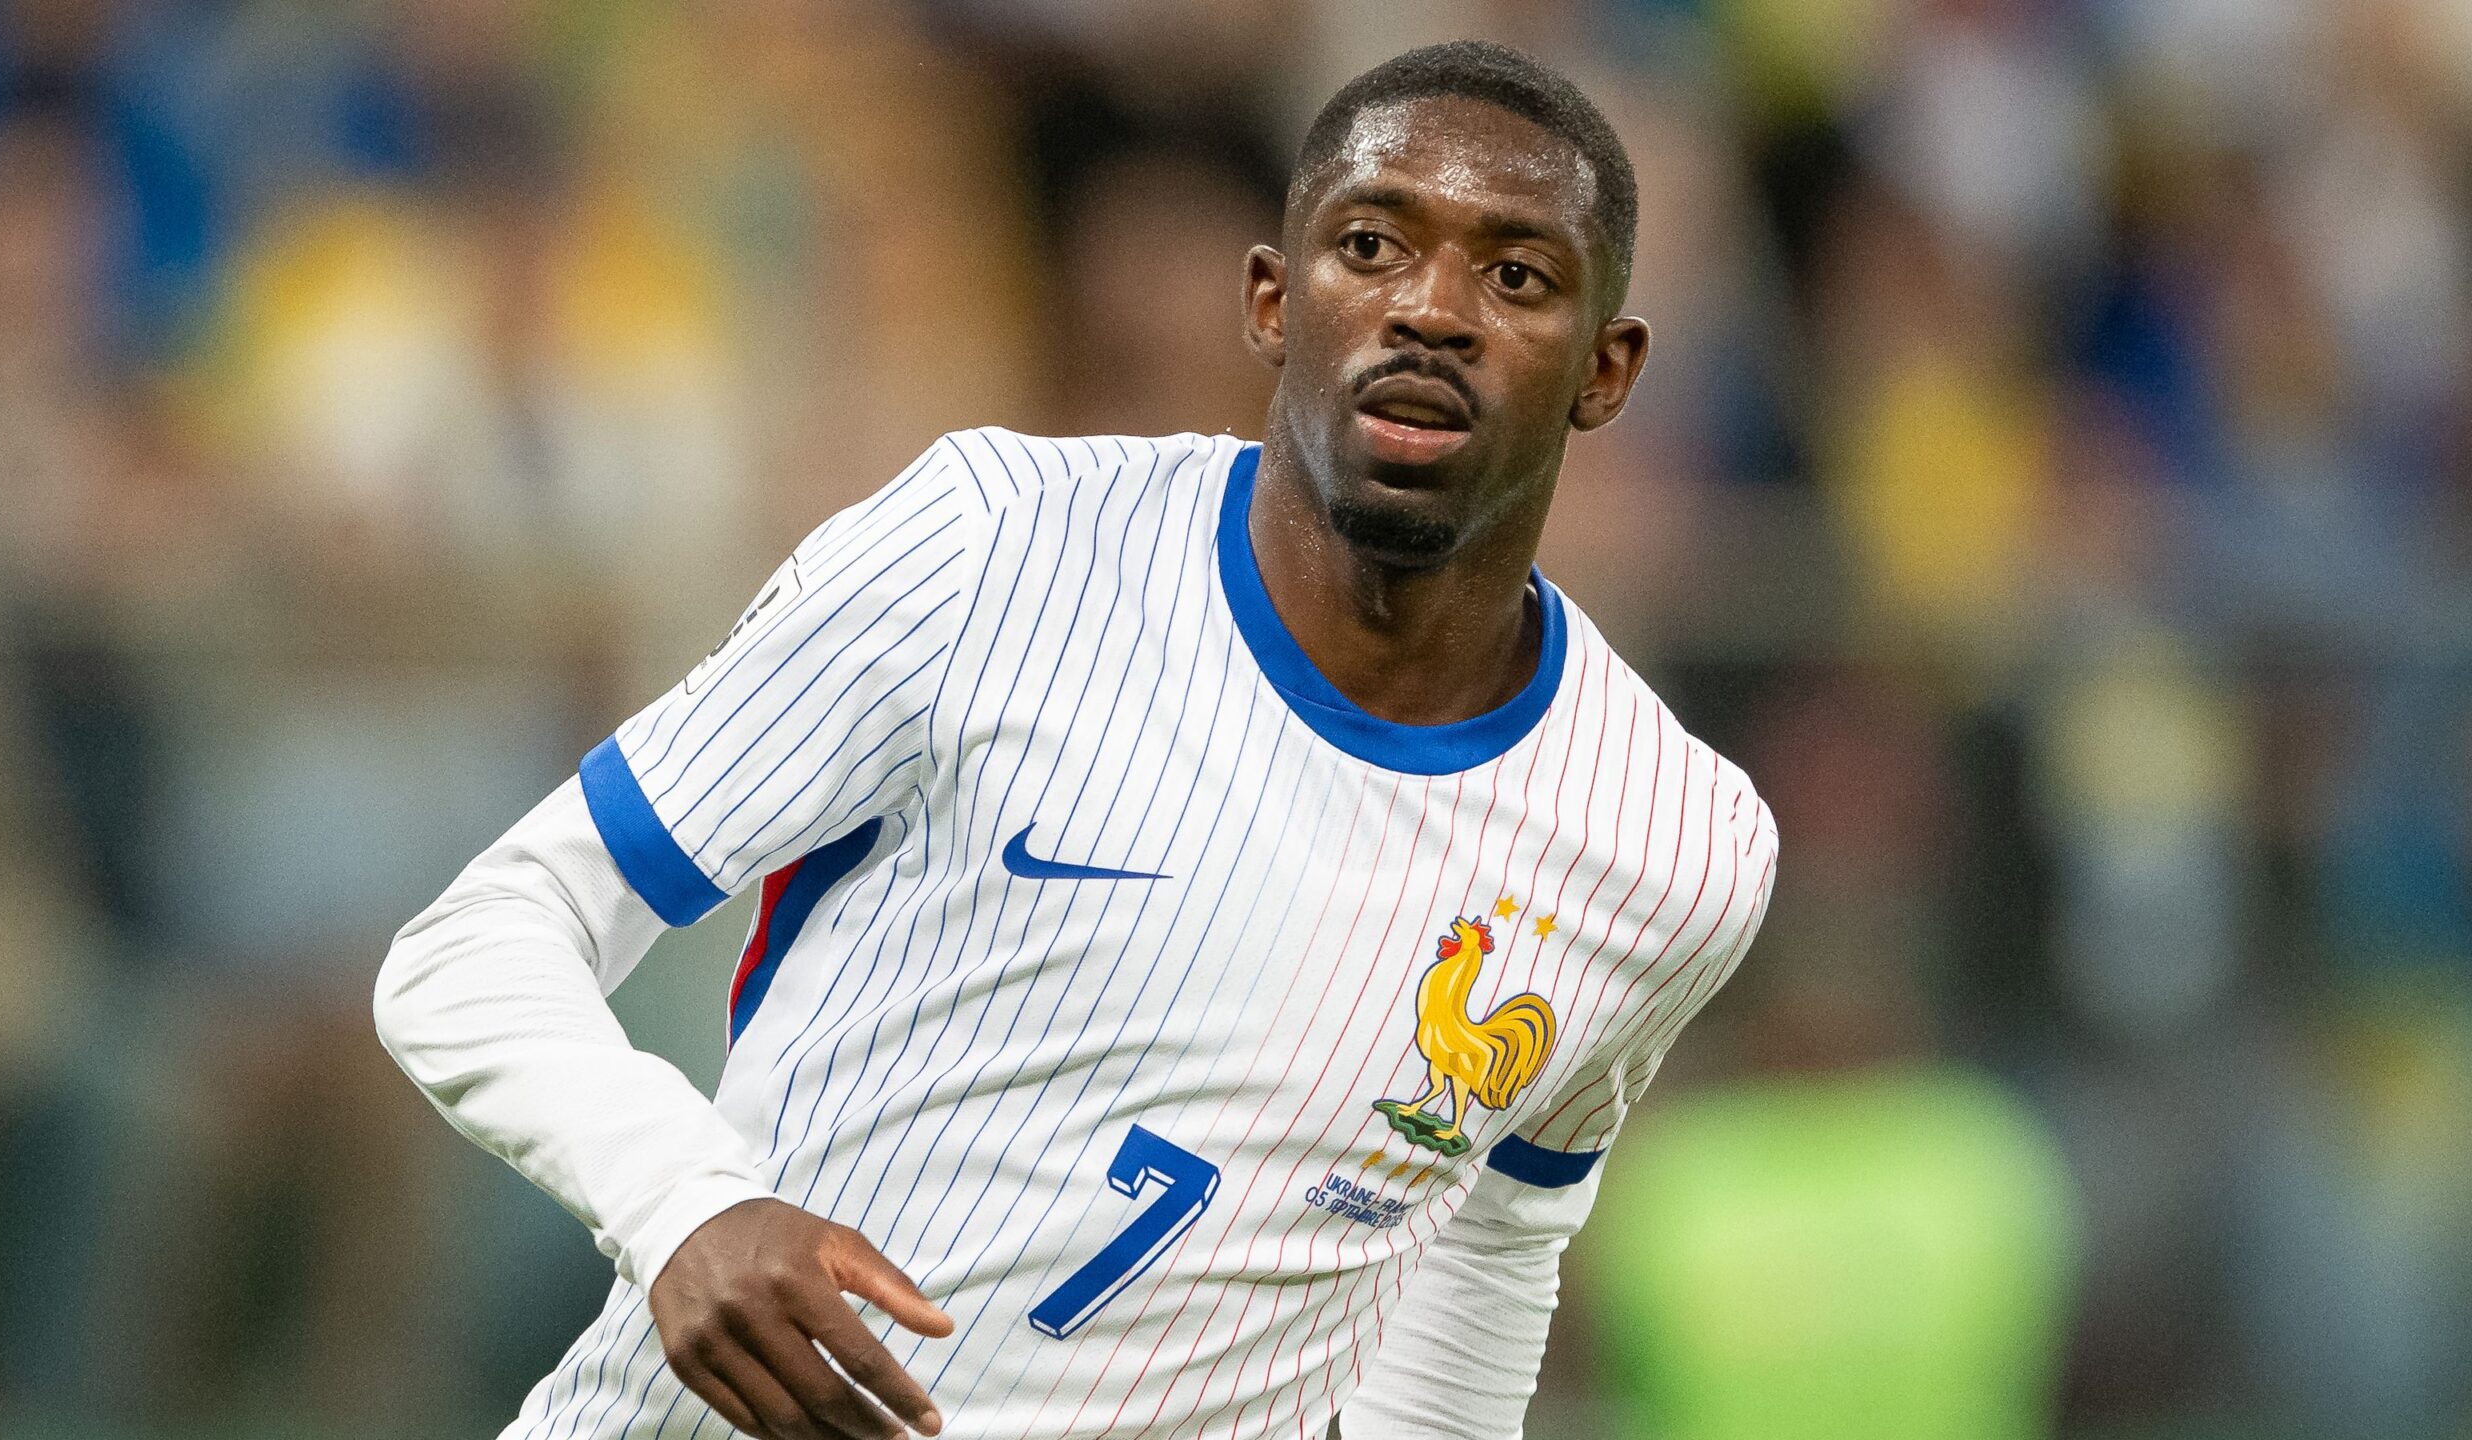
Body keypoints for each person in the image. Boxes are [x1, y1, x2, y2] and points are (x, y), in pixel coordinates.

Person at [374, 41, 1777, 1440]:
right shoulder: (988, 547)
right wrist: (683, 1204)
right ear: (1272, 300)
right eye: (1370, 246)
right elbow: (475, 946)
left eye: (1516, 276)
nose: (1432, 311)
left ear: (1608, 369)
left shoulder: (1674, 845)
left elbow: (1494, 1240)